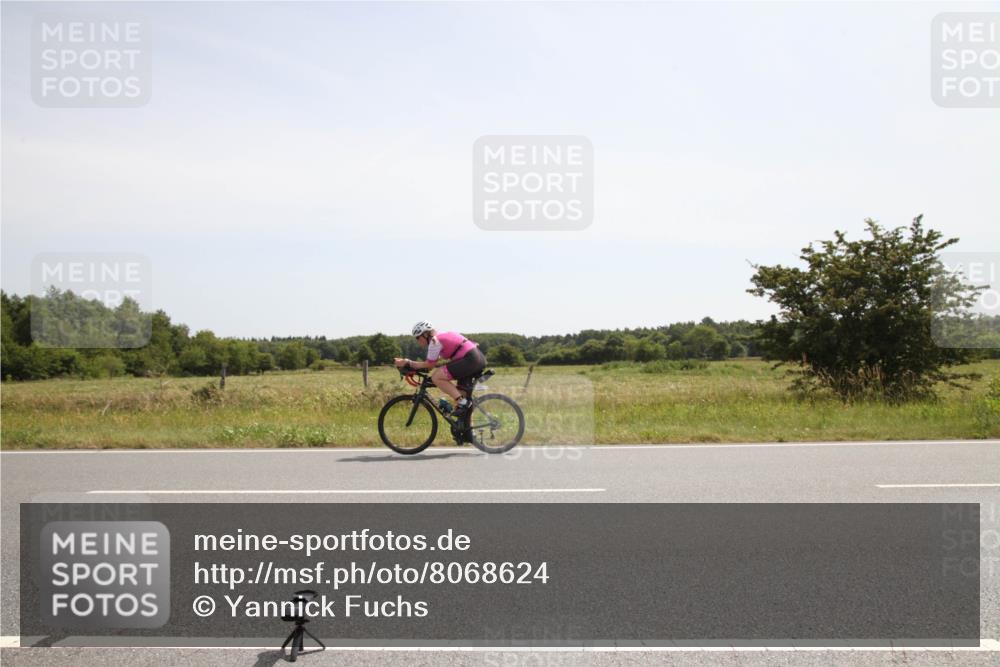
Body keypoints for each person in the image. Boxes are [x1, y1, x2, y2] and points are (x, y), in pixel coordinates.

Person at [394, 321, 486, 416]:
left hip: (470, 359)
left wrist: (407, 362)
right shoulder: (439, 337)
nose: (417, 340)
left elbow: (429, 365)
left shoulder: (434, 341)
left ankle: (463, 403)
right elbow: (431, 365)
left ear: (425, 334)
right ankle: (467, 429)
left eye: (418, 337)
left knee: (437, 377)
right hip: (476, 357)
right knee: (461, 395)